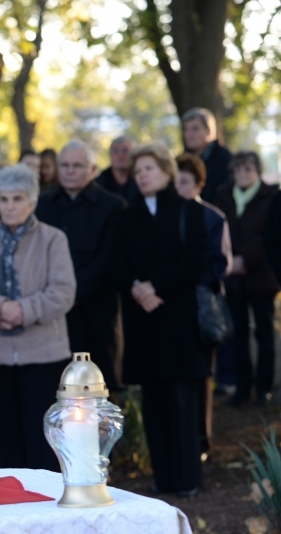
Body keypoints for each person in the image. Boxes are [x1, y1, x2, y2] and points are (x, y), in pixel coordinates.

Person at [0, 164, 76, 471]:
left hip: (43, 353)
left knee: (42, 438)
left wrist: (22, 311)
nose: (9, 206)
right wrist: (0, 308)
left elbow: (63, 292)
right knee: (3, 437)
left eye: (17, 199)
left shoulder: (53, 239)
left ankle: (45, 496)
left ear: (32, 202)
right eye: (4, 199)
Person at [113, 142, 208, 497]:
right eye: (138, 171)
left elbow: (197, 259)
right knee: (153, 400)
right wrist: (138, 289)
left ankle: (187, 479)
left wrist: (155, 285)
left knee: (182, 399)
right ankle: (163, 478)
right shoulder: (126, 216)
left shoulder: (188, 211)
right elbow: (116, 264)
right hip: (143, 323)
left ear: (167, 171)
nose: (142, 176)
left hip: (179, 319)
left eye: (149, 169)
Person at [36, 140, 126, 390]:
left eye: (77, 166)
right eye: (65, 165)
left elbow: (109, 257)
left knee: (97, 384)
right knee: (57, 384)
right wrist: (58, 293)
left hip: (96, 309)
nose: (70, 171)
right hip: (52, 310)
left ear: (93, 169)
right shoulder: (41, 205)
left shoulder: (113, 205)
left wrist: (73, 291)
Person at [175, 153, 231, 451]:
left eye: (185, 182)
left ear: (199, 184)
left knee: (201, 377)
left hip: (200, 311)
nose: (179, 187)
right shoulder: (166, 216)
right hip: (171, 308)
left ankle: (201, 440)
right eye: (175, 181)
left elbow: (221, 264)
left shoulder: (213, 217)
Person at [213, 151, 278, 407]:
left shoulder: (271, 196)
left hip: (262, 275)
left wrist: (244, 259)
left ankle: (264, 388)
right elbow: (220, 229)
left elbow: (270, 234)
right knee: (237, 335)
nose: (243, 174)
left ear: (257, 171)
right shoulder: (223, 196)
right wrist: (232, 259)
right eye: (238, 169)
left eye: (248, 169)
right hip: (234, 279)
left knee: (264, 334)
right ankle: (242, 388)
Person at [182, 108, 232, 202]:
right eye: (186, 129)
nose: (189, 134)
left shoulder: (225, 159)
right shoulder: (182, 162)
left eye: (195, 129)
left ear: (208, 131)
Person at [96, 136, 140, 206]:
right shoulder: (98, 185)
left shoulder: (141, 180)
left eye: (125, 151)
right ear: (110, 155)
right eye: (116, 151)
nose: (120, 155)